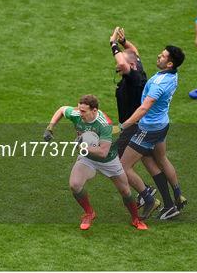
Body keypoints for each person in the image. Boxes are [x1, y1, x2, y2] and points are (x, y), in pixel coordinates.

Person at [109, 27, 187, 216]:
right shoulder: (167, 74)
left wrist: (113, 44)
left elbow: (144, 107)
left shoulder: (136, 77)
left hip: (144, 127)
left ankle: (148, 195)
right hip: (161, 125)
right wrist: (124, 41)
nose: (159, 56)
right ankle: (175, 198)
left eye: (163, 56)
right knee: (156, 160)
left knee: (121, 165)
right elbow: (134, 53)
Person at [43, 94, 147, 230]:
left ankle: (135, 219)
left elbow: (103, 152)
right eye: (79, 110)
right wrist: (50, 127)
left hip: (109, 160)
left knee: (125, 191)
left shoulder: (104, 125)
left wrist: (82, 146)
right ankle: (89, 213)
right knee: (75, 185)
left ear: (94, 111)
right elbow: (62, 110)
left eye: (83, 111)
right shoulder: (77, 114)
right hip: (87, 158)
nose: (80, 114)